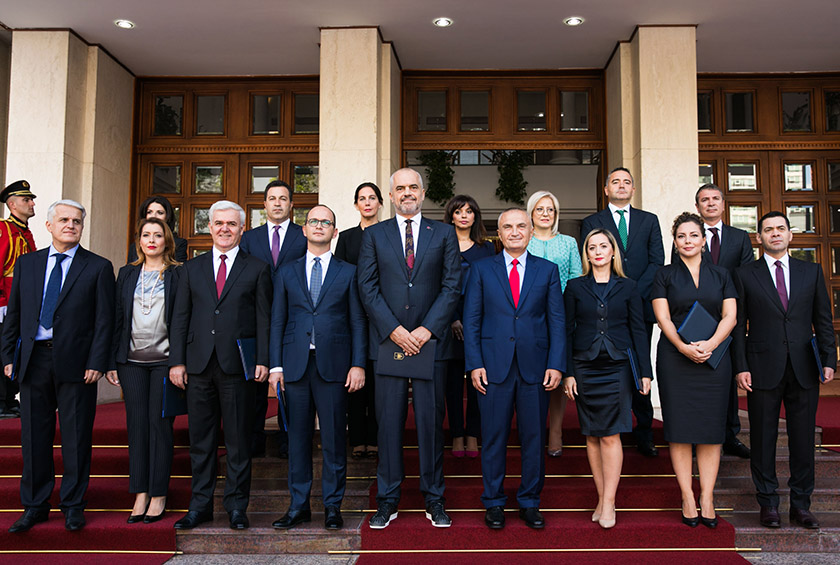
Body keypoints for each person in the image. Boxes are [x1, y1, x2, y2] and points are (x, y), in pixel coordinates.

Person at [357, 167, 461, 529]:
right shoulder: (375, 235)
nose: (407, 193)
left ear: (423, 192)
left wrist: (426, 330)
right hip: (389, 343)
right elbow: (367, 287)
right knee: (388, 424)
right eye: (400, 188)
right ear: (391, 196)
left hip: (431, 344)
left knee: (431, 424)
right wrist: (395, 330)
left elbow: (452, 286)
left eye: (413, 187)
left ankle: (434, 498)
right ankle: (387, 499)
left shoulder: (444, 233)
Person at [3, 199, 115, 533]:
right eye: (64, 220)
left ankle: (73, 505)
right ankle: (35, 506)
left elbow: (105, 320)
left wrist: (97, 361)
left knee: (76, 437)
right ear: (49, 225)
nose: (70, 225)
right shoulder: (27, 264)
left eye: (76, 221)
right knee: (33, 437)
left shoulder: (98, 267)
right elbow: (15, 314)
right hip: (33, 360)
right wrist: (7, 357)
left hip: (78, 365)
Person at [169, 200, 272, 531]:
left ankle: (237, 507)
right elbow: (180, 318)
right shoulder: (190, 269)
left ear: (242, 229)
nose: (225, 229)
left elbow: (264, 318)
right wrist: (177, 361)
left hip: (237, 366)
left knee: (239, 441)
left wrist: (263, 359)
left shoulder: (257, 268)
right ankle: (199, 506)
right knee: (201, 441)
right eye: (219, 223)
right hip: (198, 366)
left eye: (231, 224)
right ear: (209, 227)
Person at [463, 208, 565, 530]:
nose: (515, 231)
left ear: (531, 231)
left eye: (521, 226)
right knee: (493, 438)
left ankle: (530, 501)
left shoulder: (548, 271)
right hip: (493, 368)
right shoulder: (481, 270)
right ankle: (493, 502)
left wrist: (556, 364)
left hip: (536, 368)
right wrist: (474, 363)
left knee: (534, 438)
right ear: (500, 233)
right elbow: (471, 320)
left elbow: (557, 321)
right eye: (508, 226)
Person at [733, 211, 836, 530]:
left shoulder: (811, 271)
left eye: (780, 228)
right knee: (763, 438)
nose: (775, 233)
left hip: (804, 367)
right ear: (759, 238)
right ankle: (768, 503)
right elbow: (738, 325)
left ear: (791, 235)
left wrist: (829, 359)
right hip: (761, 367)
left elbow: (823, 319)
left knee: (803, 440)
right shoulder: (745, 274)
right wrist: (741, 366)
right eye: (768, 230)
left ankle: (801, 505)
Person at [269, 205, 367, 531]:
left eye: (326, 222)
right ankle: (298, 506)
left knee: (334, 439)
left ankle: (332, 506)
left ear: (334, 232)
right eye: (314, 221)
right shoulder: (286, 272)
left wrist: (358, 364)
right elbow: (277, 321)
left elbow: (357, 322)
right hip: (295, 366)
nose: (319, 226)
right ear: (304, 229)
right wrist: (275, 366)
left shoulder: (348, 272)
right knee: (297, 440)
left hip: (335, 366)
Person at [651, 212, 737, 529]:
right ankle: (687, 495)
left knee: (711, 430)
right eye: (681, 236)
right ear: (675, 242)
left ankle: (707, 496)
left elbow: (730, 316)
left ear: (703, 240)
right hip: (675, 359)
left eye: (693, 235)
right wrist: (683, 347)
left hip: (714, 359)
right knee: (680, 429)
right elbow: (663, 318)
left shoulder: (722, 275)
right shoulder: (664, 275)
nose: (687, 241)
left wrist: (711, 344)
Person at [563, 229, 651, 529]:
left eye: (603, 246)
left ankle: (610, 501)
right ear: (586, 254)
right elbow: (566, 330)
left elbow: (639, 330)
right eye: (592, 247)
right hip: (584, 365)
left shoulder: (629, 286)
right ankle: (601, 498)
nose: (598, 251)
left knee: (611, 434)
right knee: (591, 434)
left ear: (613, 252)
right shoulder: (574, 287)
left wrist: (645, 372)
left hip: (618, 367)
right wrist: (568, 372)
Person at [581, 167, 664, 458]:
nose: (621, 185)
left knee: (639, 364)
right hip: (604, 307)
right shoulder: (592, 222)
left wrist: (631, 291)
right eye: (615, 181)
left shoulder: (649, 220)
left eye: (627, 182)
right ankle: (609, 426)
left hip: (639, 305)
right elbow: (590, 260)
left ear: (633, 189)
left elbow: (657, 261)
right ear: (606, 190)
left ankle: (644, 431)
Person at [109, 217, 182, 524]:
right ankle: (140, 492)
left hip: (165, 363)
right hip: (131, 363)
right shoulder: (127, 273)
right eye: (146, 235)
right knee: (137, 427)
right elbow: (116, 318)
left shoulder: (178, 273)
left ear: (167, 241)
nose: (151, 240)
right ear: (138, 241)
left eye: (157, 235)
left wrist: (180, 361)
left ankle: (159, 493)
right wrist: (112, 361)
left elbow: (183, 320)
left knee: (160, 427)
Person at [681, 183, 754, 459]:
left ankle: (730, 434)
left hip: (729, 315)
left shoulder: (739, 237)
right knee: (697, 377)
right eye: (704, 199)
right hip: (696, 316)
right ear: (697, 206)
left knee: (728, 375)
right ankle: (698, 433)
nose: (710, 203)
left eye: (715, 199)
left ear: (723, 204)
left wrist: (737, 313)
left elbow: (746, 275)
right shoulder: (689, 236)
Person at [240, 180, 306, 458]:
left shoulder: (303, 235)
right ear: (264, 204)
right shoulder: (249, 238)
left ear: (291, 205)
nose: (277, 203)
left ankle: (287, 440)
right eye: (272, 198)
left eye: (283, 198)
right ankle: (254, 440)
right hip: (257, 319)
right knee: (256, 380)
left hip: (293, 318)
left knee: (290, 382)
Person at [526, 190, 582, 457]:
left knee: (558, 372)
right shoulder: (523, 241)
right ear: (531, 213)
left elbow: (575, 279)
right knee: (531, 374)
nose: (545, 214)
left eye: (550, 209)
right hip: (529, 315)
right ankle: (533, 431)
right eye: (540, 209)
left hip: (561, 315)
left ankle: (556, 431)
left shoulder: (569, 243)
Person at [443, 195, 495, 458]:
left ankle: (473, 433)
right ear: (451, 216)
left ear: (475, 216)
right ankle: (456, 434)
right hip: (447, 319)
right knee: (452, 383)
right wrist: (452, 318)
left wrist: (473, 319)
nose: (464, 216)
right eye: (458, 211)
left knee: (478, 379)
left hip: (479, 320)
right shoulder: (441, 244)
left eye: (469, 211)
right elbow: (438, 284)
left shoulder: (487, 248)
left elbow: (491, 286)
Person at [335, 182, 383, 459]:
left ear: (380, 203)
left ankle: (374, 437)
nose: (367, 202)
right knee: (353, 377)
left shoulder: (388, 234)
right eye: (362, 199)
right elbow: (339, 274)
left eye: (372, 198)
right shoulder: (347, 238)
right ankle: (356, 438)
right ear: (356, 205)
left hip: (380, 317)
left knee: (377, 379)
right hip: (351, 314)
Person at [0, 180, 37, 419]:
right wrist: (2, 300)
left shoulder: (25, 232)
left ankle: (10, 399)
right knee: (2, 350)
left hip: (22, 303)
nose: (32, 203)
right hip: (5, 303)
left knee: (16, 350)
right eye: (26, 200)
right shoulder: (4, 229)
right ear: (12, 205)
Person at [128, 196, 188, 263]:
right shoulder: (134, 247)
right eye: (149, 212)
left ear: (167, 217)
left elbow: (179, 268)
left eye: (160, 213)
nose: (154, 216)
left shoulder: (179, 244)